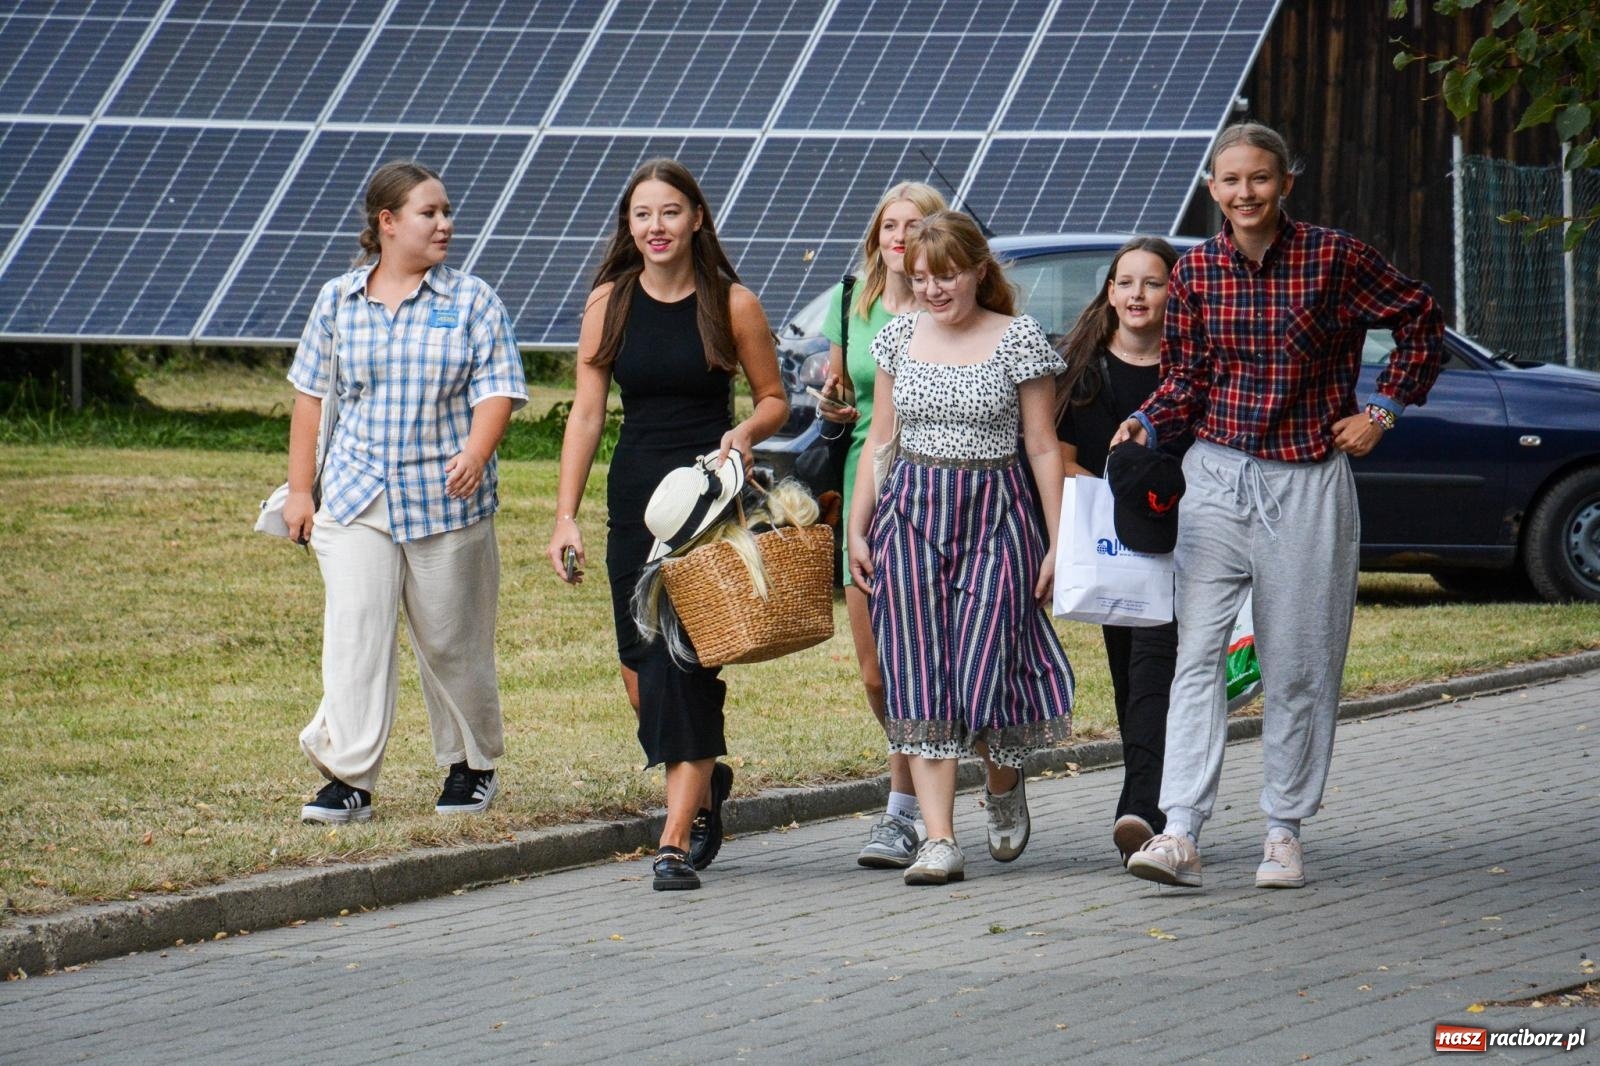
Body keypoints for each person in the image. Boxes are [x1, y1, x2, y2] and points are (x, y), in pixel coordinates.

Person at [1113, 122, 1443, 890]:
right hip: (1216, 479)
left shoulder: (1335, 257)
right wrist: (1149, 422)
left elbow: (1421, 319)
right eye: (1230, 182)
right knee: (1196, 658)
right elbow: (1188, 379)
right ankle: (1181, 831)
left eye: (1259, 179)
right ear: (1212, 189)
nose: (1245, 194)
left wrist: (1383, 411)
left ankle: (1282, 830)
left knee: (1297, 661)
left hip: (1307, 479)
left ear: (1284, 182)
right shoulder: (1195, 273)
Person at [547, 158, 787, 892]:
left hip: (707, 505)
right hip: (634, 500)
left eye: (670, 212)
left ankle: (674, 840)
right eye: (642, 215)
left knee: (686, 663)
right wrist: (565, 516)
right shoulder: (609, 303)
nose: (656, 227)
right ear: (630, 226)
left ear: (697, 220)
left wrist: (743, 434)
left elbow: (774, 398)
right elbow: (587, 414)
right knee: (641, 668)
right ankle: (706, 778)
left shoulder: (731, 302)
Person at [285, 160, 528, 824]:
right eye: (430, 213)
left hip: (445, 503)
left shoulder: (472, 300)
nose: (446, 224)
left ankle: (470, 765)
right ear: (387, 224)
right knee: (355, 635)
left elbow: (499, 389)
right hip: (355, 498)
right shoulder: (337, 299)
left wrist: (477, 452)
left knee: (452, 641)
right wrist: (301, 492)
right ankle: (348, 778)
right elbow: (311, 399)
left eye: (448, 211)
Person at [848, 211, 1075, 887]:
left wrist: (1057, 543)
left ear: (979, 270)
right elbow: (880, 443)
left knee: (986, 670)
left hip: (996, 518)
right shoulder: (897, 338)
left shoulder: (1017, 339)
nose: (933, 289)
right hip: (911, 516)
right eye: (920, 278)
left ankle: (1003, 783)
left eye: (946, 275)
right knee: (919, 673)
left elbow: (1040, 445)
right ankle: (940, 840)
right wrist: (860, 526)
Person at [812, 180, 947, 870]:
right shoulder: (849, 304)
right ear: (876, 238)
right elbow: (843, 396)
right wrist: (834, 402)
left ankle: (904, 810)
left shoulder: (944, 304)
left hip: (935, 492)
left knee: (916, 661)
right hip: (866, 486)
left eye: (913, 223)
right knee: (874, 672)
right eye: (889, 225)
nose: (899, 235)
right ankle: (925, 792)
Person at [1055, 237, 1185, 867]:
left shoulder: (1189, 372)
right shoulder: (1082, 372)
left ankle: (1141, 808)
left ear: (1174, 292)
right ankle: (1157, 801)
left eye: (1152, 282)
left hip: (1182, 543)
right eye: (1125, 282)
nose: (1137, 294)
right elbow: (1060, 458)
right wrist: (1113, 492)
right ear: (1109, 292)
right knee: (1129, 672)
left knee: (1157, 669)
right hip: (1114, 547)